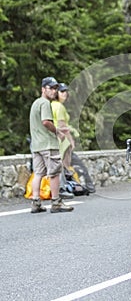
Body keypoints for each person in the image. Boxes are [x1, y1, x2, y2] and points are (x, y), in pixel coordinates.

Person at [29, 76, 74, 213]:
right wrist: (58, 132)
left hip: (37, 145)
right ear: (43, 89)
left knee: (38, 173)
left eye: (56, 88)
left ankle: (35, 202)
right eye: (51, 88)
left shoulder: (35, 103)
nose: (54, 91)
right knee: (54, 173)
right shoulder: (45, 103)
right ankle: (56, 202)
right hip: (48, 144)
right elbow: (46, 122)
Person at [51, 83, 96, 194]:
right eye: (62, 91)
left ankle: (64, 188)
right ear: (56, 93)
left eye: (66, 91)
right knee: (76, 164)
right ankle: (88, 187)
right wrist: (71, 141)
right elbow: (62, 126)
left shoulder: (51, 105)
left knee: (61, 166)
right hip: (63, 140)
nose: (65, 94)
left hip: (54, 140)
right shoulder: (59, 107)